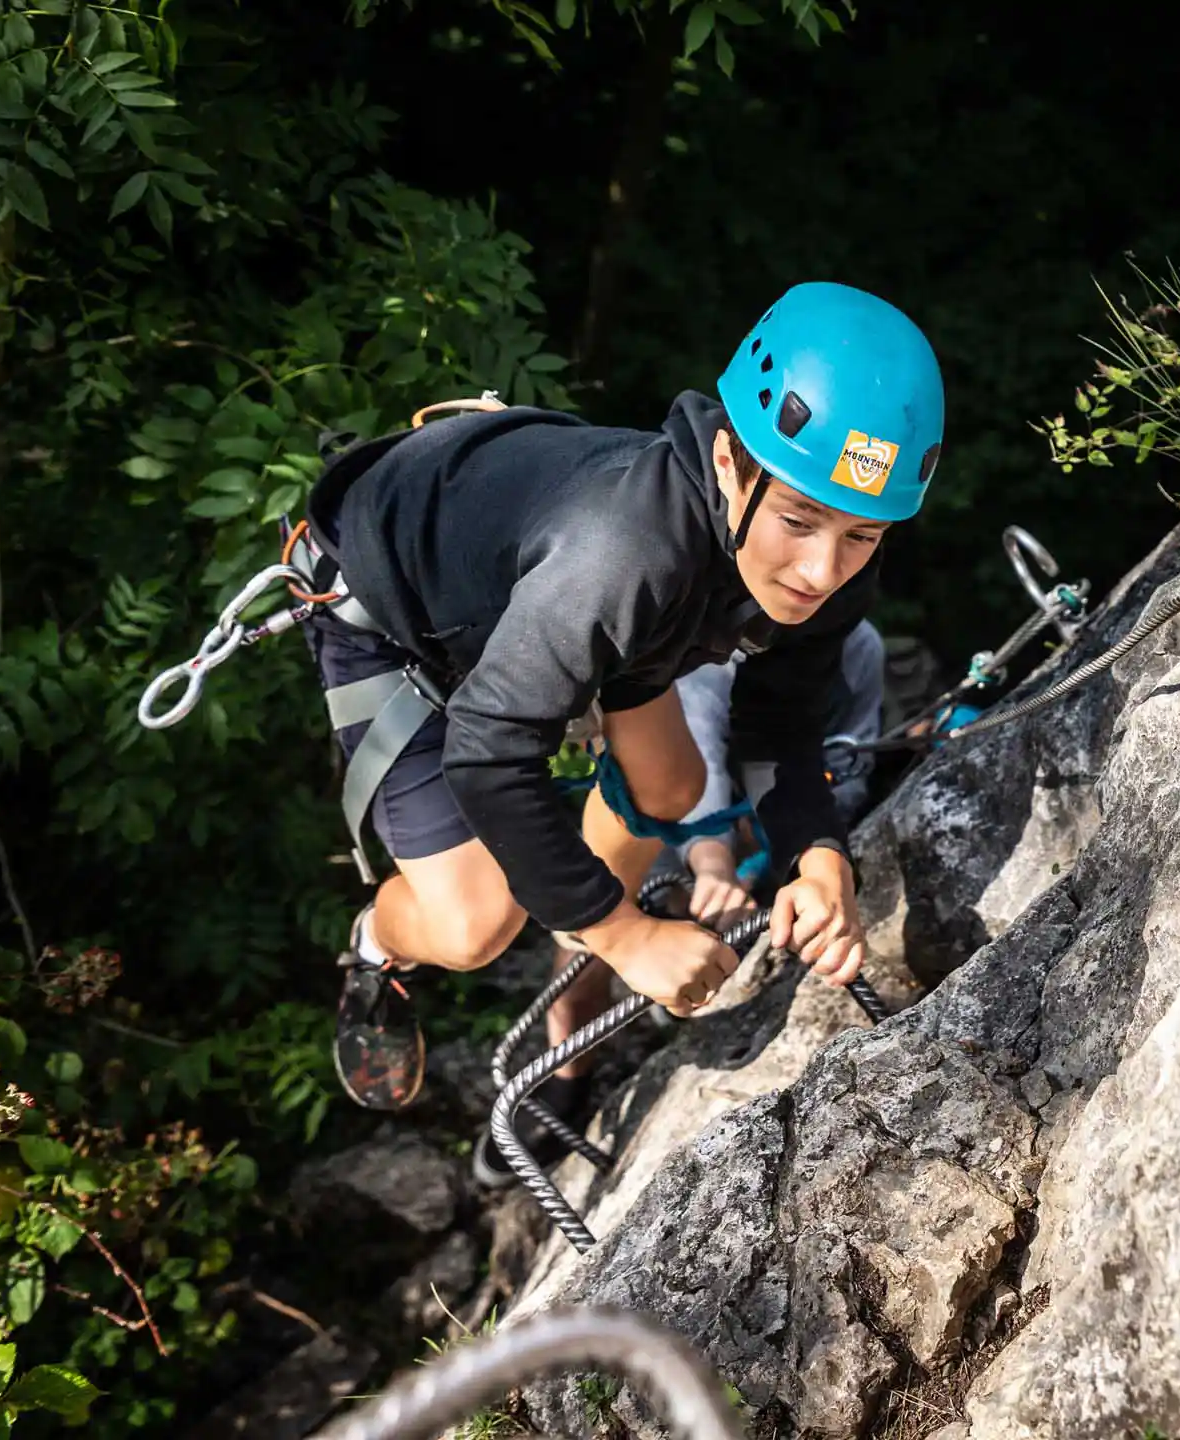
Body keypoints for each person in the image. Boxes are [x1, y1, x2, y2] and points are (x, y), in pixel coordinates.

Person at [294, 281, 945, 1119]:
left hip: (588, 606)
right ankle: (376, 948)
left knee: (671, 784)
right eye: (800, 520)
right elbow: (488, 754)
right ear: (726, 465)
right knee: (474, 928)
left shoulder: (819, 561)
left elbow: (780, 723)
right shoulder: (623, 556)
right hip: (387, 602)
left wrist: (815, 857)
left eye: (862, 535)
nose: (821, 572)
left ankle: (575, 907)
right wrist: (622, 934)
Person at [656, 617, 888, 926]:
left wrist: (813, 856)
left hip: (789, 821)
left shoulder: (859, 644)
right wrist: (714, 868)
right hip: (680, 815)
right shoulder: (714, 635)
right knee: (616, 914)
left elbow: (852, 767)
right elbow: (697, 752)